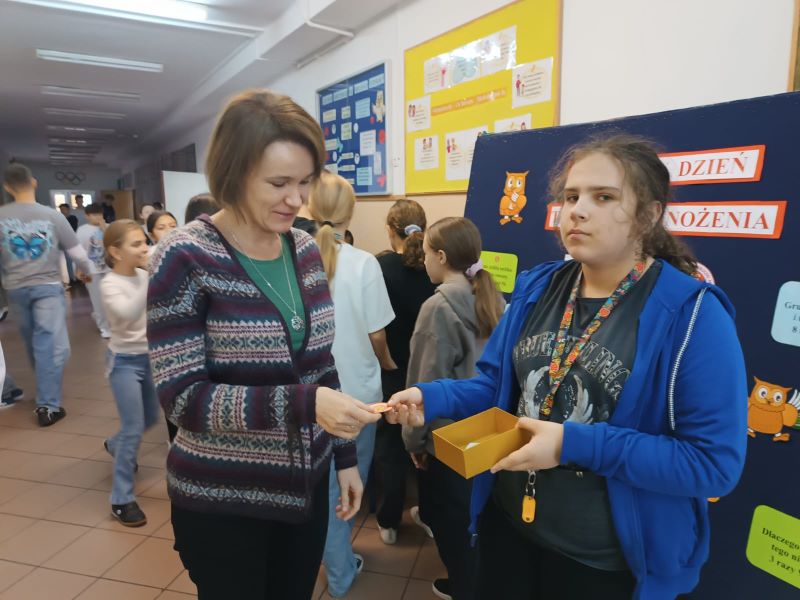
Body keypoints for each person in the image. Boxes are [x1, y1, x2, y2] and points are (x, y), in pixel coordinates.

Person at [387, 134, 748, 599]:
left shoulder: (693, 314)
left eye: (604, 197)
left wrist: (571, 444)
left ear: (648, 215)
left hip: (601, 563)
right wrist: (430, 396)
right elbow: (496, 385)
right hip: (509, 528)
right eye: (571, 196)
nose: (577, 210)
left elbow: (712, 464)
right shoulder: (538, 288)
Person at [147, 89, 380, 599]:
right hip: (223, 498)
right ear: (233, 175)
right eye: (278, 183)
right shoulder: (184, 256)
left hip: (304, 492)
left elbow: (321, 368)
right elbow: (183, 399)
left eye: (304, 182)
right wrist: (305, 404)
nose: (296, 200)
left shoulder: (304, 250)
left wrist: (344, 458)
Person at [402, 217, 505, 600]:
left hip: (448, 443)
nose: (424, 260)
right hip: (488, 437)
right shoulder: (494, 298)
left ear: (442, 256)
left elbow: (423, 385)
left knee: (453, 530)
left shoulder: (437, 308)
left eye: (427, 252)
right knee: (475, 525)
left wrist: (414, 442)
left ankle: (465, 589)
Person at [309, 171, 396, 597]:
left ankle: (334, 558)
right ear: (351, 211)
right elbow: (378, 334)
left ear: (310, 208)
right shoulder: (364, 264)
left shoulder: (294, 259)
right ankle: (341, 572)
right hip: (359, 395)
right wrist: (388, 363)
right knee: (346, 487)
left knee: (323, 489)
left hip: (312, 397)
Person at [0, 163, 95, 426]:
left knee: (35, 342)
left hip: (15, 288)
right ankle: (48, 405)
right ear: (34, 182)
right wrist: (88, 271)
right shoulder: (52, 216)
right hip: (47, 287)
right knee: (51, 345)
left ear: (7, 187)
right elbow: (77, 253)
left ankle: (45, 391)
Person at [374, 199, 436, 546]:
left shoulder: (380, 266)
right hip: (427, 370)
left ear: (389, 229)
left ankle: (388, 521)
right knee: (426, 442)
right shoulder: (436, 264)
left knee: (390, 447)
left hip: (393, 369)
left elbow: (375, 328)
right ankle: (428, 513)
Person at [100, 219, 159, 526]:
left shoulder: (142, 275)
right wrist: (152, 276)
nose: (144, 248)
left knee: (149, 419)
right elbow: (127, 313)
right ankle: (121, 499)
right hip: (123, 362)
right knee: (134, 426)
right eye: (136, 244)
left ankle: (115, 444)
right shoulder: (110, 284)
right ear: (115, 251)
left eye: (145, 242)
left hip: (150, 359)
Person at [77, 204, 110, 338]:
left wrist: (104, 228)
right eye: (94, 215)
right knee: (97, 299)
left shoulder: (109, 227)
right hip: (91, 269)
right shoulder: (82, 230)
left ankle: (111, 324)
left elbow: (113, 244)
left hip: (109, 268)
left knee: (110, 297)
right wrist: (79, 268)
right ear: (87, 216)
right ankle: (104, 326)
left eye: (100, 214)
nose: (98, 217)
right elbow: (79, 251)